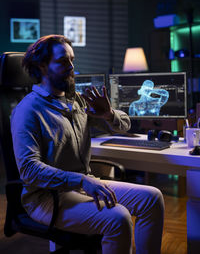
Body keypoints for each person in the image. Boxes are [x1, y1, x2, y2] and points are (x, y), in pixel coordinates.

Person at [11, 35, 164, 254]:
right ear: (42, 66)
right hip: (47, 197)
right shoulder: (28, 110)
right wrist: (81, 180)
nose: (72, 67)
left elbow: (125, 125)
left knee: (152, 198)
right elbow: (29, 170)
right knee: (118, 218)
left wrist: (109, 115)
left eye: (72, 60)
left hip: (83, 185)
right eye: (63, 61)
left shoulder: (76, 102)